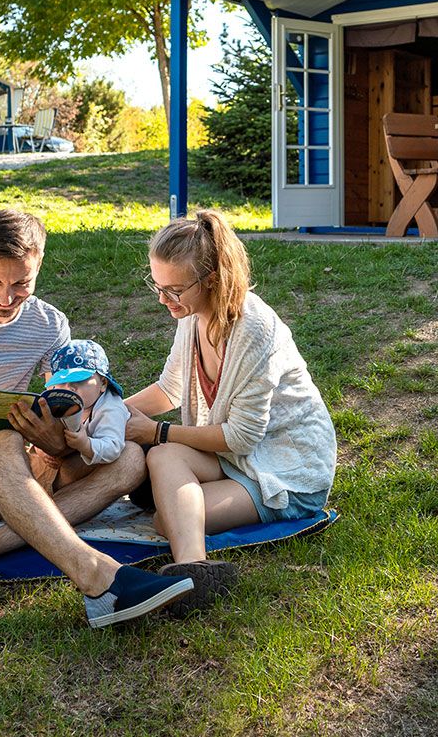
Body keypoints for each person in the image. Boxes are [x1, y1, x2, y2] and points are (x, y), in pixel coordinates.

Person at [0, 208, 195, 627]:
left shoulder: (51, 325)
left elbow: (65, 419)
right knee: (4, 443)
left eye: (21, 284)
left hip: (9, 477)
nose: (7, 297)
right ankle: (99, 578)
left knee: (129, 458)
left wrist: (54, 438)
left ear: (39, 266)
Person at [125, 209, 337, 612]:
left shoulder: (256, 330)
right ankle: (194, 562)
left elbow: (242, 436)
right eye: (157, 285)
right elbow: (169, 388)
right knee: (167, 465)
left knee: (166, 517)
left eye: (173, 290)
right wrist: (108, 413)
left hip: (286, 469)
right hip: (237, 457)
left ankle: (193, 573)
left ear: (212, 280)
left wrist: (156, 433)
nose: (162, 299)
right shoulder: (193, 315)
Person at [42, 339, 131, 472]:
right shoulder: (59, 402)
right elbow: (42, 426)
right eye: (62, 382)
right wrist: (41, 449)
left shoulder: (110, 408)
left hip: (108, 466)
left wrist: (86, 445)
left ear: (103, 383)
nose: (69, 388)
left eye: (79, 380)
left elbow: (113, 447)